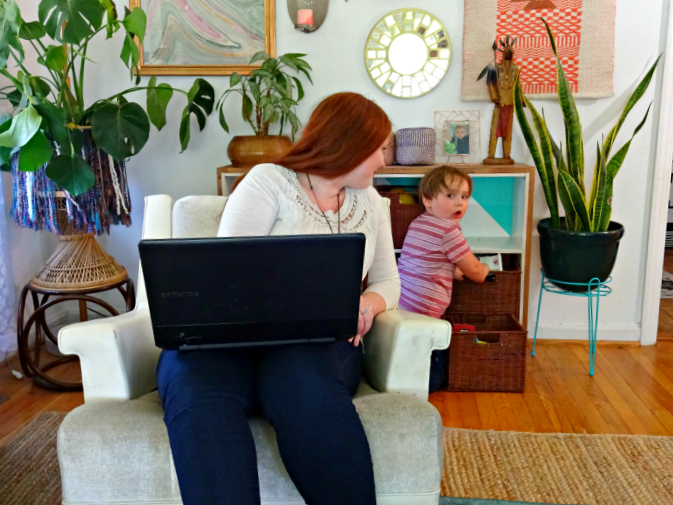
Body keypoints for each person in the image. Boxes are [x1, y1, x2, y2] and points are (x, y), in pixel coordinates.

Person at [156, 92, 400, 505]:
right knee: (195, 383)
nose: (383, 160)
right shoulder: (269, 181)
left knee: (299, 379)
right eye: (378, 149)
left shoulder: (372, 202)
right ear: (349, 145)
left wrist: (367, 305)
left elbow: (388, 281)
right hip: (229, 343)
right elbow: (226, 274)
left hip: (316, 346)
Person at [397, 165, 489, 391]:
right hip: (426, 315)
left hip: (402, 305)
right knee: (436, 372)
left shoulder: (419, 222)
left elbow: (432, 261)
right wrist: (485, 269)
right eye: (450, 195)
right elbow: (475, 272)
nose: (460, 203)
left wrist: (455, 272)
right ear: (427, 200)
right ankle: (418, 384)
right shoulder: (449, 231)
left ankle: (400, 374)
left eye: (464, 196)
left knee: (410, 354)